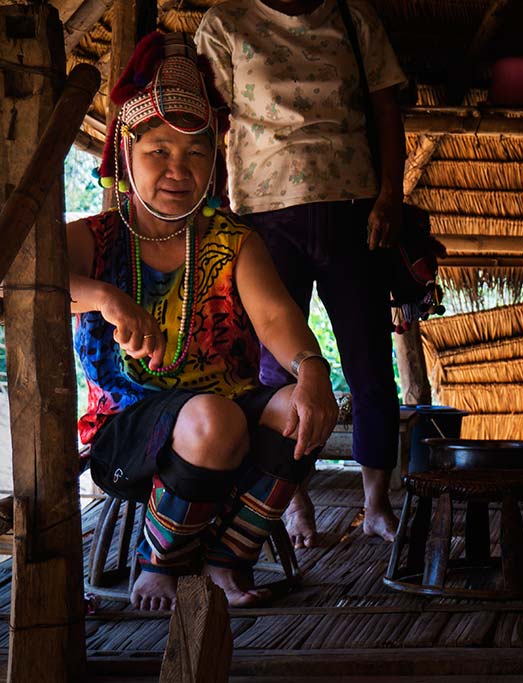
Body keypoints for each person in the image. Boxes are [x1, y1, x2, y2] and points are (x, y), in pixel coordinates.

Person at [72, 31, 338, 610]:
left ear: (214, 161)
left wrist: (312, 368)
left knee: (303, 404)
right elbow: (15, 282)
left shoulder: (232, 241)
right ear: (124, 154)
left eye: (195, 153)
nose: (178, 169)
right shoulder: (92, 239)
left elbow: (274, 314)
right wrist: (104, 297)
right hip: (128, 435)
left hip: (227, 420)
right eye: (158, 151)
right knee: (214, 419)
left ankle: (227, 558)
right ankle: (159, 565)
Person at [195, 0, 407, 545]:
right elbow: (209, 122)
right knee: (274, 369)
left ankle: (377, 503)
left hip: (353, 210)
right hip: (263, 218)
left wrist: (390, 195)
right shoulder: (225, 23)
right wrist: (212, 214)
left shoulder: (354, 18)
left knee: (370, 366)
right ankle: (290, 501)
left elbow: (386, 111)